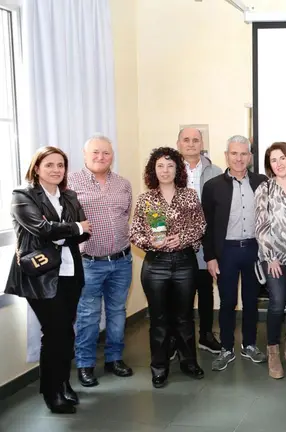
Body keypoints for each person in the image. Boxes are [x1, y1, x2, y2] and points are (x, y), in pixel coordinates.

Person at [5, 146, 91, 414]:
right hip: (41, 276)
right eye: (49, 165)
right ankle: (51, 392)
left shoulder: (69, 196)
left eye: (60, 165)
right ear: (37, 168)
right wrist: (72, 228)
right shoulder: (22, 196)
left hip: (70, 274)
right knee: (54, 333)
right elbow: (41, 229)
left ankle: (63, 382)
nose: (56, 170)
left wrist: (63, 231)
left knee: (66, 333)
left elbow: (84, 233)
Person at [130, 147, 206, 388]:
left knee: (184, 318)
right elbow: (134, 232)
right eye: (160, 166)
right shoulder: (146, 199)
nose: (165, 170)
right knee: (159, 319)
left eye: (170, 166)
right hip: (156, 265)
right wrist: (148, 242)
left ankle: (189, 362)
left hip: (184, 262)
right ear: (153, 170)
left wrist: (181, 238)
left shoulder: (190, 195)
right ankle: (159, 367)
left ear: (178, 169)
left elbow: (201, 226)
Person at [69, 135, 134, 388]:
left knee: (118, 313)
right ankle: (85, 365)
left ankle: (114, 359)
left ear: (112, 156)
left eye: (106, 153)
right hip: (88, 262)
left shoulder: (123, 184)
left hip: (121, 260)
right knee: (88, 315)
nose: (101, 157)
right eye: (95, 152)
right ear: (85, 155)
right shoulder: (70, 183)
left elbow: (125, 215)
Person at [202, 135, 268, 371]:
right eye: (234, 153)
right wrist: (210, 256)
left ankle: (249, 344)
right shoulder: (212, 187)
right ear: (227, 155)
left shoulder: (262, 182)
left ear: (250, 157)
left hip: (253, 250)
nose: (239, 158)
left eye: (243, 154)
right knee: (228, 301)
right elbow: (206, 225)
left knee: (251, 301)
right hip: (226, 252)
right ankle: (227, 348)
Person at [254, 142, 286, 379]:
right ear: (270, 165)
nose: (279, 163)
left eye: (282, 158)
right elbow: (261, 226)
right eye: (274, 160)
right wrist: (271, 257)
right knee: (277, 302)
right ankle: (273, 349)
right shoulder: (265, 189)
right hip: (274, 258)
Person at [176, 127, 223, 354]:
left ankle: (206, 335)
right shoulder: (169, 170)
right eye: (186, 140)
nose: (191, 144)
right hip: (178, 243)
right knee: (179, 294)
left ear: (201, 143)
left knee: (205, 290)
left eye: (195, 140)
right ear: (179, 144)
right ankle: (177, 340)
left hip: (206, 241)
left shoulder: (216, 171)